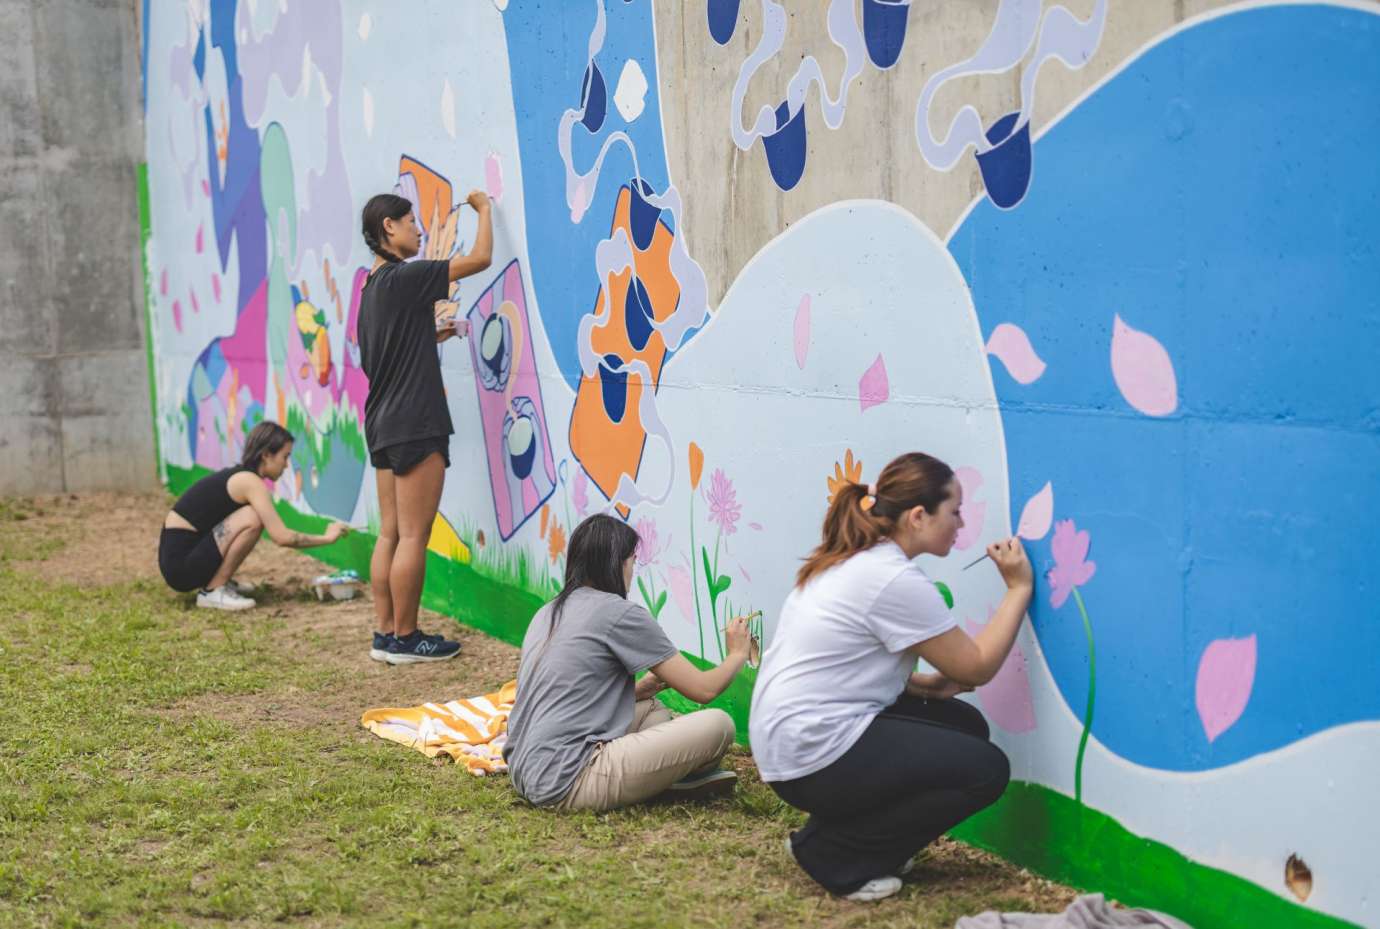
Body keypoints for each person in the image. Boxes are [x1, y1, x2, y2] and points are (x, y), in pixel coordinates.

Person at [749, 451, 1033, 902]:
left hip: (790, 735)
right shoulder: (890, 578)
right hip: (809, 750)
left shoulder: (856, 559)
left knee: (964, 726)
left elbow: (840, 668)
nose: (961, 524)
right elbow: (976, 666)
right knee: (985, 770)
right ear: (919, 516)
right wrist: (1018, 588)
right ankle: (837, 855)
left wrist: (925, 686)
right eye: (954, 512)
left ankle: (839, 836)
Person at [504, 514, 751, 812]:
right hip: (568, 781)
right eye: (633, 560)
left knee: (651, 709)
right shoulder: (619, 613)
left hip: (525, 771)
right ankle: (667, 780)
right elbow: (703, 689)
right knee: (719, 725)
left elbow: (566, 693)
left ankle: (657, 776)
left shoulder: (549, 610)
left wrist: (638, 689)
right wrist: (737, 653)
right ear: (616, 563)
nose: (633, 570)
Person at [357, 189, 492, 664]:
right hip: (416, 420)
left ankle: (386, 635)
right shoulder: (405, 277)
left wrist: (434, 332)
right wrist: (484, 209)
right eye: (411, 221)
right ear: (388, 228)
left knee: (391, 532)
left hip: (382, 422)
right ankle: (409, 638)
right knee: (415, 534)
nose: (419, 230)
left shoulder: (372, 289)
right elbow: (480, 258)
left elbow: (388, 349)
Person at [158, 421, 349, 610]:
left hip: (182, 558)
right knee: (253, 517)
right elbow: (282, 537)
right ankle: (213, 591)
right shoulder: (250, 482)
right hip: (181, 566)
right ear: (266, 455)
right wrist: (328, 537)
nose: (286, 465)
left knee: (250, 516)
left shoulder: (242, 477)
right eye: (285, 456)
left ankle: (217, 581)